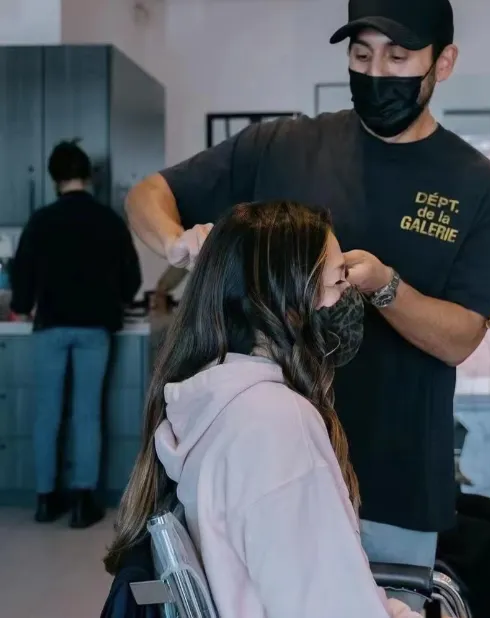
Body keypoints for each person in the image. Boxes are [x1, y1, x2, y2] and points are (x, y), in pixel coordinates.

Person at [125, 0, 490, 605]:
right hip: (265, 461)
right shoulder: (281, 145)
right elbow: (150, 194)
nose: (376, 71)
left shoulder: (481, 187)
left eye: (398, 57)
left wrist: (386, 286)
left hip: (393, 477)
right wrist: (178, 243)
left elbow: (461, 337)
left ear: (443, 63)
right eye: (361, 55)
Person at [104, 201, 420, 618]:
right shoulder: (278, 425)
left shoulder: (212, 402)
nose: (347, 297)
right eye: (338, 280)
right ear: (288, 301)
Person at [11, 140, 142, 528]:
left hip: (51, 325)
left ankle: (45, 500)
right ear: (89, 176)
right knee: (88, 413)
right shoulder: (109, 220)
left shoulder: (40, 220)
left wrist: (24, 302)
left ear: (54, 179)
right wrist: (114, 297)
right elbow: (131, 280)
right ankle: (85, 502)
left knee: (47, 414)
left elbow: (22, 279)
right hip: (95, 327)